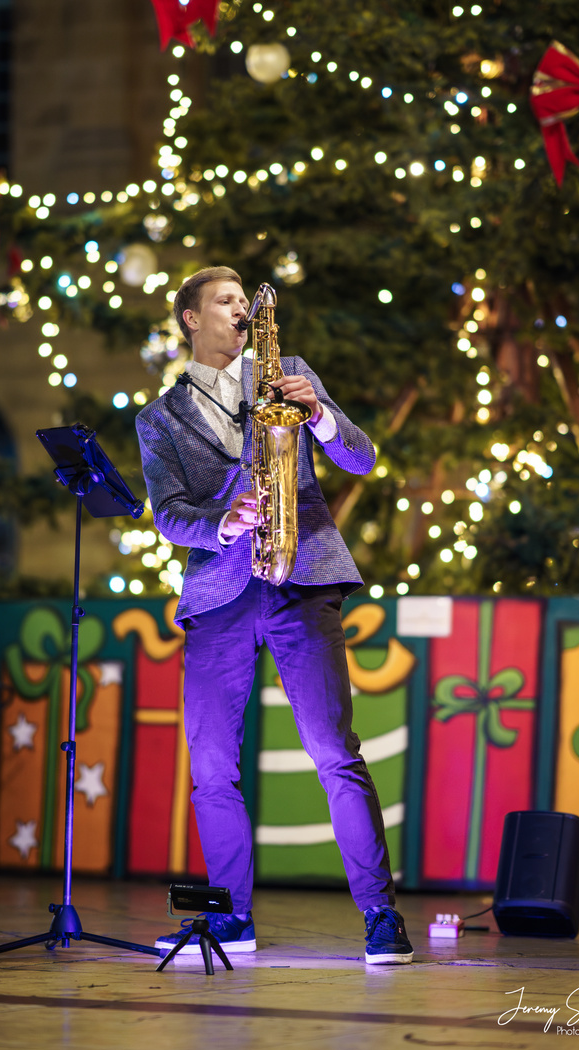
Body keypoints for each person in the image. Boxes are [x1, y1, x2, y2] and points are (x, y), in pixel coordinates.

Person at [135, 266, 413, 965]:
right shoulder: (158, 418)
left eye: (243, 300)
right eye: (223, 301)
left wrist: (317, 412)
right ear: (191, 319)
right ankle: (232, 918)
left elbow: (361, 456)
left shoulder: (287, 370)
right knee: (212, 769)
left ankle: (381, 913)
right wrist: (225, 524)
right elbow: (170, 515)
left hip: (302, 579)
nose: (238, 309)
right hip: (219, 596)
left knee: (334, 753)